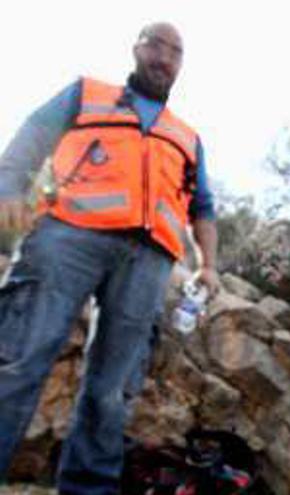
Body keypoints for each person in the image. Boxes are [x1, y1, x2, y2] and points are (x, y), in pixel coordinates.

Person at [0, 22, 219, 494]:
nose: (164, 57)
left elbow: (203, 208)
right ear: (136, 48)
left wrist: (210, 264)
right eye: (155, 45)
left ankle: (88, 488)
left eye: (175, 51)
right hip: (67, 238)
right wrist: (9, 187)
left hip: (149, 261)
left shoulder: (187, 136)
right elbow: (32, 135)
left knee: (113, 390)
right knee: (17, 358)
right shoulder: (87, 93)